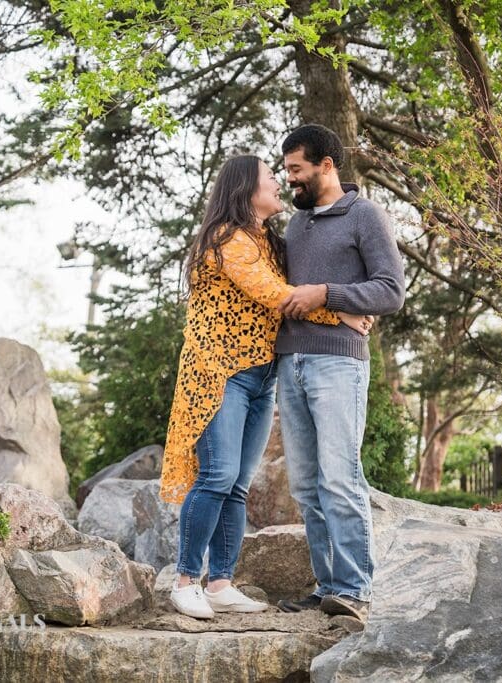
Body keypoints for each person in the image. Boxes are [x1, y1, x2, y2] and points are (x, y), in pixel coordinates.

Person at [159, 154, 372, 620]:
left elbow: (288, 288)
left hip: (260, 376)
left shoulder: (269, 241)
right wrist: (339, 311)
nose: (279, 182)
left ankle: (220, 583)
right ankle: (185, 579)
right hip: (221, 373)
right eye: (269, 177)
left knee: (237, 484)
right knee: (215, 476)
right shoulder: (227, 239)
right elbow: (274, 294)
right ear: (245, 190)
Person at [274, 124, 406, 621]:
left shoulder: (365, 215)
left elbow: (390, 291)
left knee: (340, 477)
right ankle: (327, 584)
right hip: (292, 362)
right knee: (305, 485)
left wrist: (329, 294)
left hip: (338, 363)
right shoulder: (296, 225)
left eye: (297, 170)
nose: (291, 181)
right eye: (287, 171)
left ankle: (354, 588)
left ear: (327, 165)